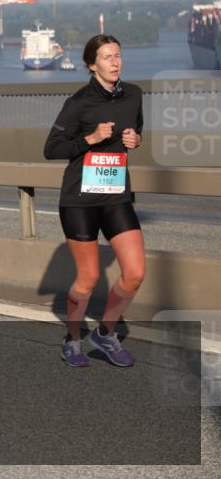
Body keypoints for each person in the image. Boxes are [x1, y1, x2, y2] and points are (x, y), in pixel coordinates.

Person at [44, 34, 145, 368]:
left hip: (116, 195)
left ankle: (105, 333)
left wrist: (135, 139)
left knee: (135, 272)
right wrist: (91, 138)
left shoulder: (134, 94)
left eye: (118, 55)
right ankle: (73, 340)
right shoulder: (78, 103)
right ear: (92, 64)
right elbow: (52, 149)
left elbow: (137, 129)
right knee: (87, 279)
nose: (115, 62)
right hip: (80, 200)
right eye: (106, 57)